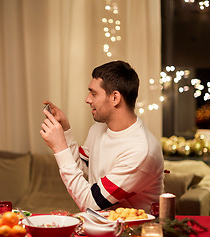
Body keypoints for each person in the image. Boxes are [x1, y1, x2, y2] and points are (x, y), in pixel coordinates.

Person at [40, 60, 164, 213]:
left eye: (93, 93)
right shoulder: (98, 129)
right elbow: (83, 168)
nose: (87, 99)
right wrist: (66, 131)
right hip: (104, 226)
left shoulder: (140, 151)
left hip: (136, 232)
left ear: (115, 98)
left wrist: (60, 148)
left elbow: (90, 203)